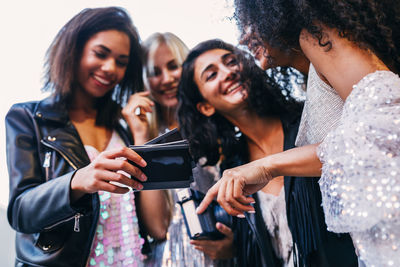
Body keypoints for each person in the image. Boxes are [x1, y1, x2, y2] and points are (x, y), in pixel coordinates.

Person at [198, 1, 400, 266]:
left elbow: (386, 131)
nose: (244, 37)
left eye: (249, 21)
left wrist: (268, 166)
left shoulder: (315, 36)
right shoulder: (313, 70)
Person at [5, 7, 170, 267]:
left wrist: (141, 134)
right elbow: (19, 212)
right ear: (74, 49)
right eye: (100, 54)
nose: (110, 68)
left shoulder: (124, 126)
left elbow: (158, 228)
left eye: (121, 62)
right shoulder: (28, 117)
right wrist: (76, 182)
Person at [177, 39, 305, 266]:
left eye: (231, 62)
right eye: (211, 75)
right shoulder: (232, 170)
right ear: (205, 107)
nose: (228, 73)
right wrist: (235, 249)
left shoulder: (306, 121)